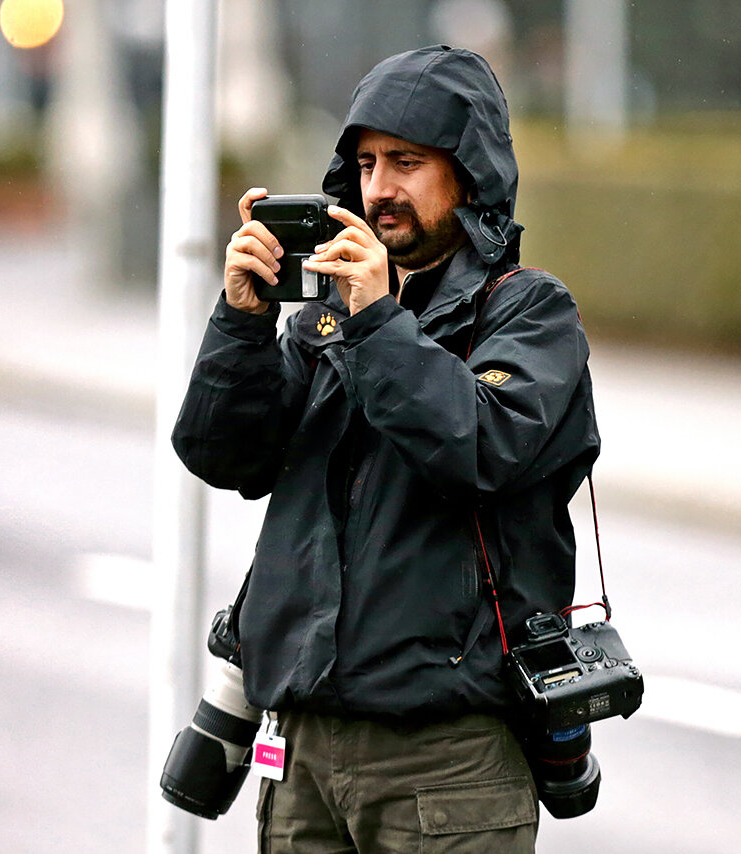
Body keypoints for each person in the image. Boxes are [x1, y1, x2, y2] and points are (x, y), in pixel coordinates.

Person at [171, 46, 600, 852]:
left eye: (408, 162)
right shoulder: (328, 319)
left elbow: (481, 446)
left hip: (445, 762)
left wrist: (376, 321)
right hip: (299, 750)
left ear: (468, 176)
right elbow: (223, 456)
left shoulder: (530, 314)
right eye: (366, 163)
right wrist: (242, 321)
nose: (378, 189)